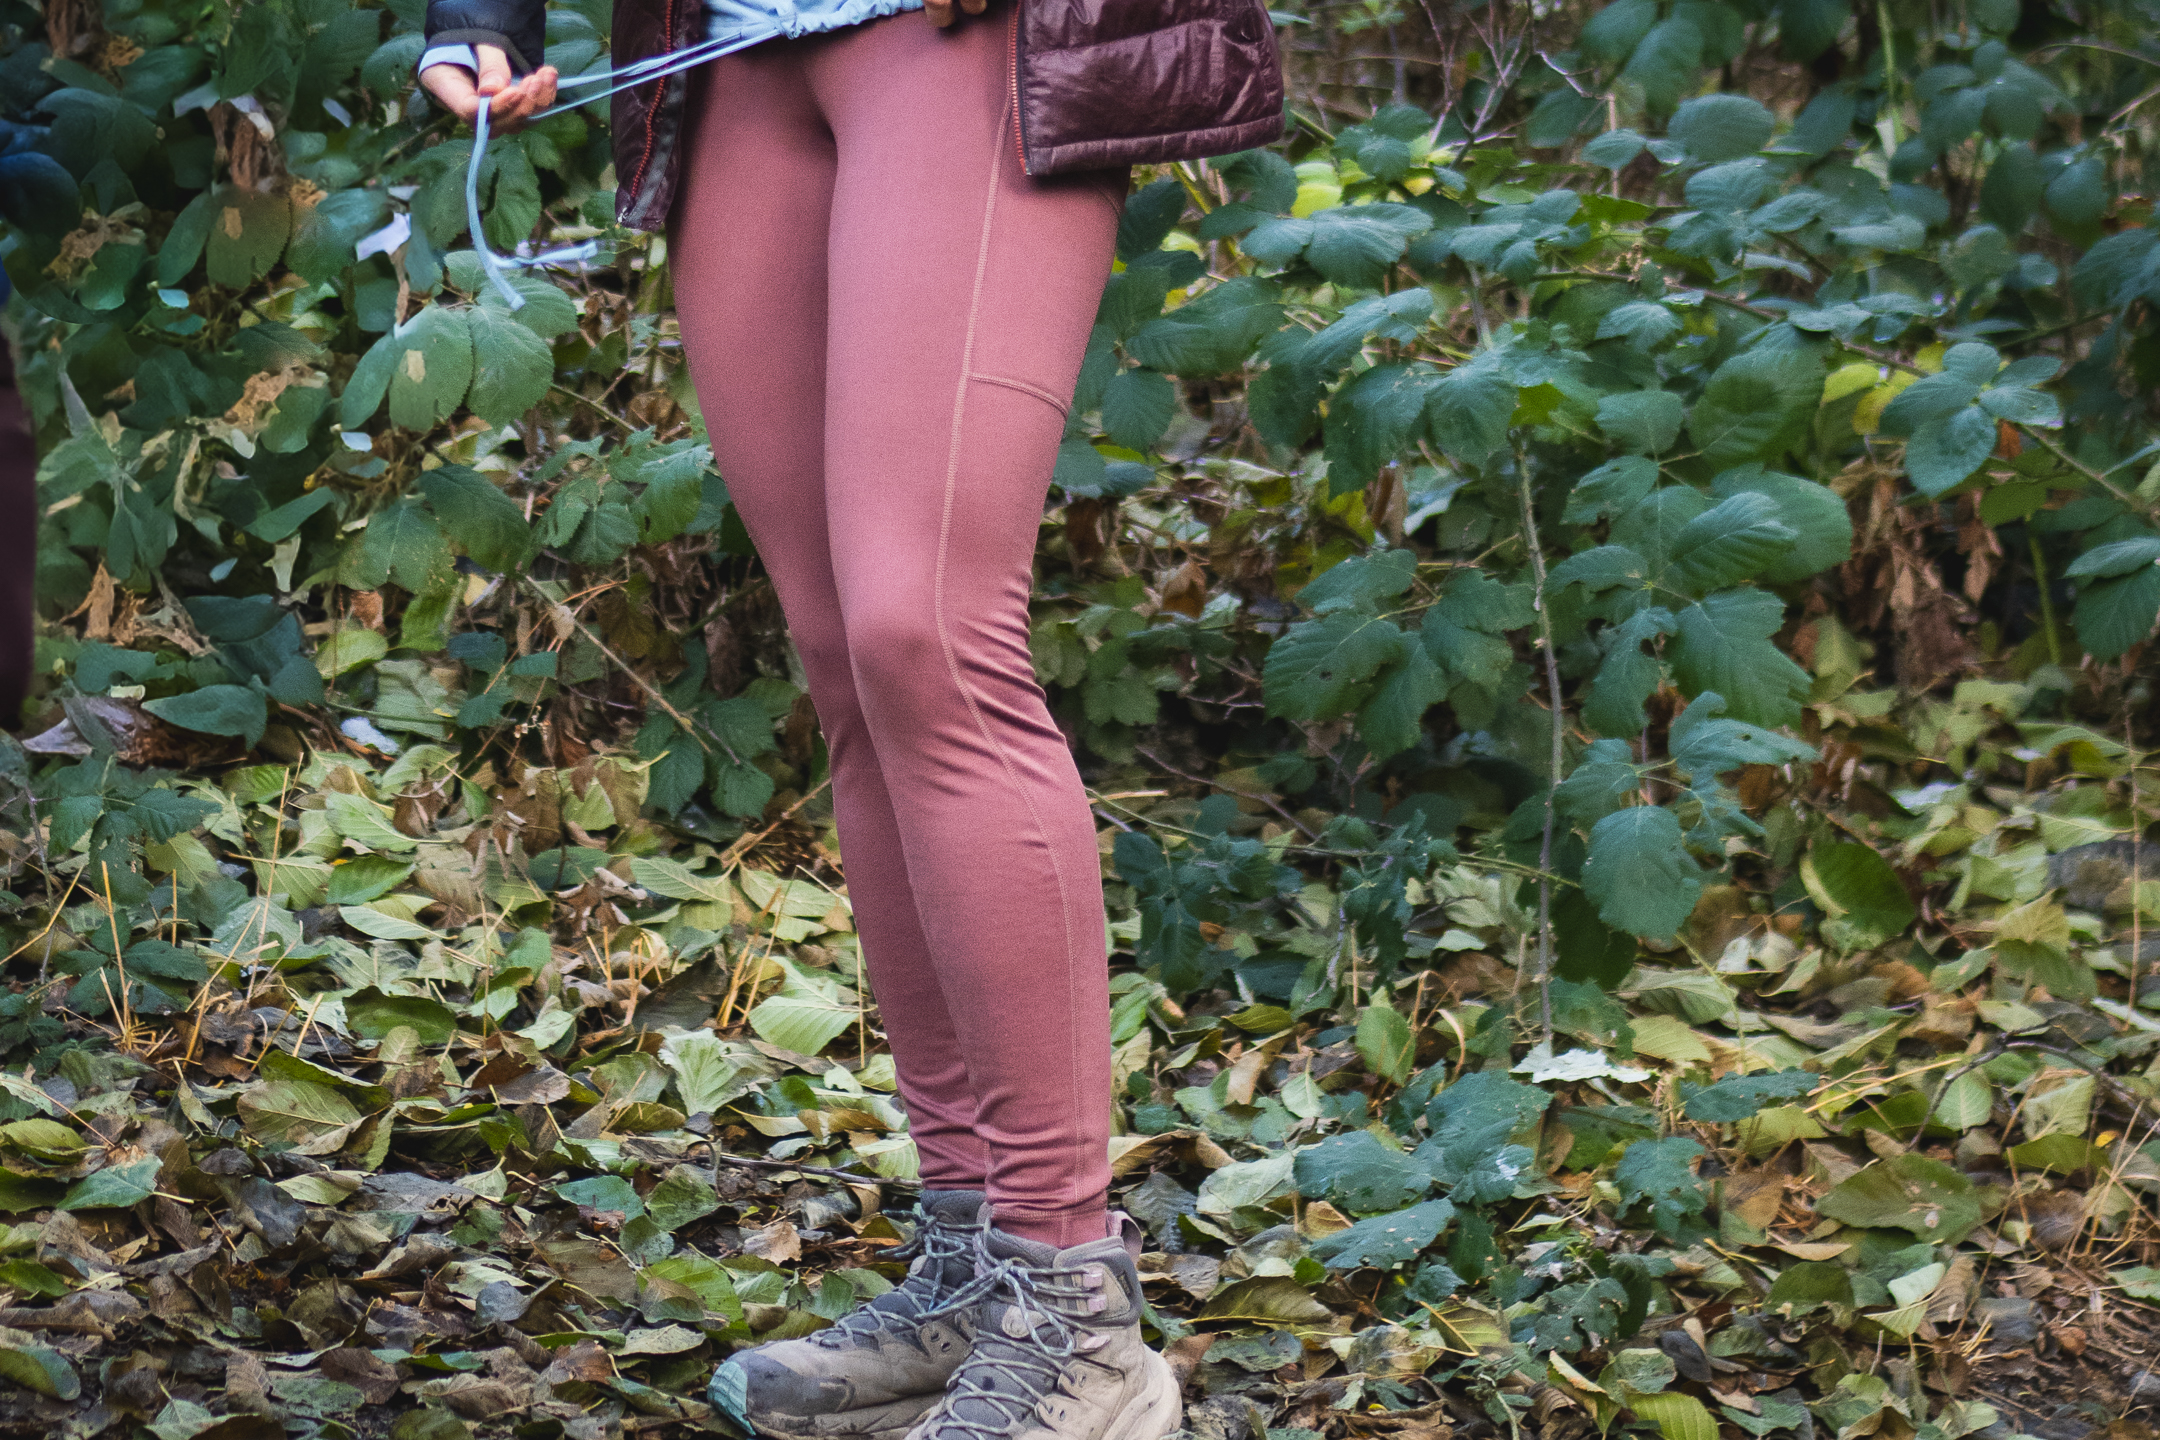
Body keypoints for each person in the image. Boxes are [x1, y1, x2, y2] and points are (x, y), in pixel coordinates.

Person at [418, 3, 1281, 1440]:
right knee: (844, 653)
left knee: (925, 632)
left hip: (964, 38)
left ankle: (1078, 1321)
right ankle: (969, 1273)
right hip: (736, 45)